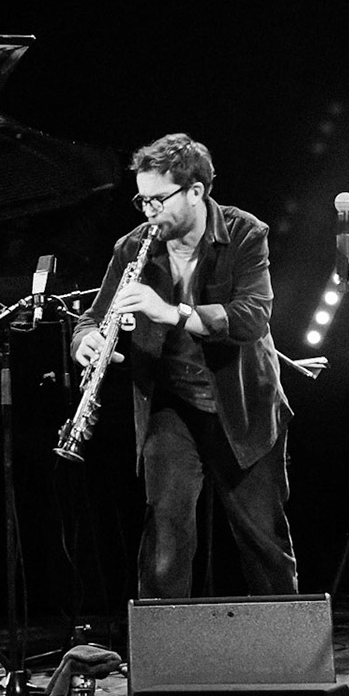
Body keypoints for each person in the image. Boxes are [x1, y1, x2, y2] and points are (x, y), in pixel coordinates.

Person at [69, 134, 298, 599]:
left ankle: (290, 660)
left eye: (158, 199)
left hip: (242, 406)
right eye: (142, 200)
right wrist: (86, 340)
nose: (148, 212)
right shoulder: (132, 247)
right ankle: (163, 661)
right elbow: (92, 317)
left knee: (263, 541)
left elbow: (253, 316)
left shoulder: (245, 233)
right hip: (170, 406)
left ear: (196, 191)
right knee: (166, 536)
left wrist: (173, 312)